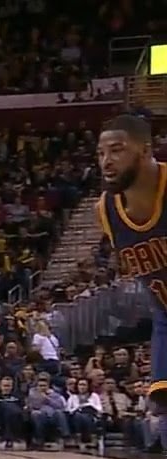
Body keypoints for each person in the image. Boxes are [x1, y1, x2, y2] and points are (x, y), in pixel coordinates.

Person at [96, 114, 167, 412]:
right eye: (101, 153)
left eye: (117, 150)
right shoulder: (106, 210)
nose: (106, 161)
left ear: (146, 150)